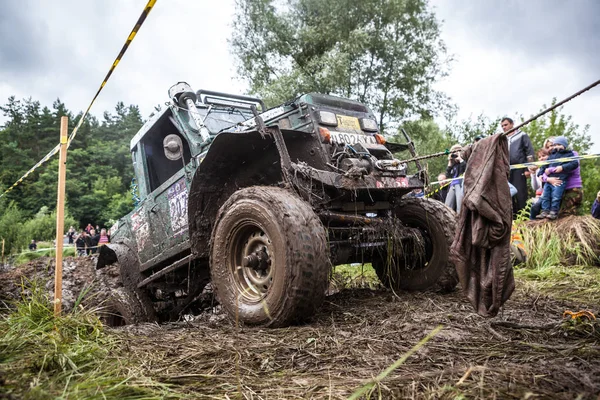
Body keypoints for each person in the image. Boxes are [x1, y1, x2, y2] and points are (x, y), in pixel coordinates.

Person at [536, 136, 578, 220]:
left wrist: (562, 168)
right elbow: (544, 165)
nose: (556, 147)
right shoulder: (552, 155)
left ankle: (554, 212)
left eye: (559, 144)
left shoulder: (569, 154)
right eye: (555, 145)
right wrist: (540, 174)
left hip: (560, 180)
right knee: (545, 196)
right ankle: (545, 211)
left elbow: (574, 164)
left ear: (564, 145)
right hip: (548, 181)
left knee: (556, 196)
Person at [501, 117, 535, 217]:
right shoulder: (503, 138)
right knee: (508, 194)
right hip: (506, 170)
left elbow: (529, 151)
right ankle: (512, 217)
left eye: (506, 125)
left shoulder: (522, 135)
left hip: (519, 169)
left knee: (520, 193)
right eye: (502, 126)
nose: (504, 127)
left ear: (512, 124)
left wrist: (529, 167)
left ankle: (524, 217)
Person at [444, 144, 466, 213]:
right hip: (452, 185)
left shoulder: (464, 162)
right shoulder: (453, 165)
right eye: (454, 151)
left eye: (458, 151)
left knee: (460, 207)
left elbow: (467, 169)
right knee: (447, 207)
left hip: (460, 185)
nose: (455, 153)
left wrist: (460, 159)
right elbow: (447, 176)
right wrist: (450, 163)